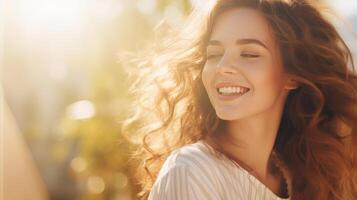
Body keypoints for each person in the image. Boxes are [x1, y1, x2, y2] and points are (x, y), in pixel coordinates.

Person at [122, 0, 357, 199]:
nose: (222, 68)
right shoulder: (191, 170)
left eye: (249, 54)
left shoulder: (297, 174)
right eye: (214, 54)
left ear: (292, 75)